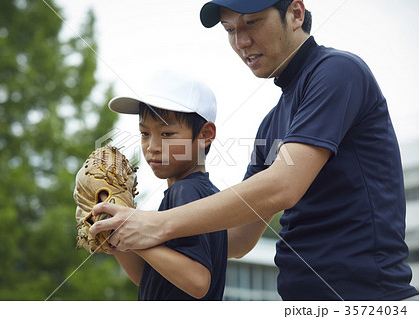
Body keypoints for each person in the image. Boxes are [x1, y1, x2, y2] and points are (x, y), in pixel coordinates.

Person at [90, 0, 419, 300]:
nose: (240, 42)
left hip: (369, 298)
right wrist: (121, 233)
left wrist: (154, 224)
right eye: (230, 29)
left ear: (295, 14)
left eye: (252, 22)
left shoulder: (338, 71)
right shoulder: (271, 123)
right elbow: (235, 239)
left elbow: (283, 186)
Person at [103, 70, 227, 300]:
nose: (152, 146)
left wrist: (136, 239)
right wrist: (117, 239)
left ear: (205, 134)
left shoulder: (186, 191)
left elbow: (198, 282)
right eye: (144, 133)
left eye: (167, 133)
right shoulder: (201, 193)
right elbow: (151, 278)